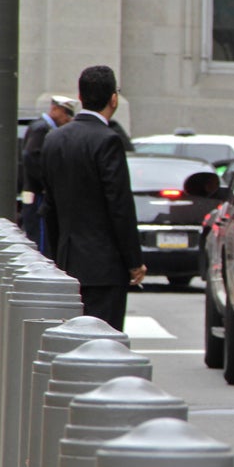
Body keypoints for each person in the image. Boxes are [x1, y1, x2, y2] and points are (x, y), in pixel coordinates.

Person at [40, 65, 146, 331]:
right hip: (104, 267)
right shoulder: (108, 141)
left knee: (68, 341)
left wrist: (56, 256)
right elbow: (119, 206)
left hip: (66, 260)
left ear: (81, 96)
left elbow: (49, 206)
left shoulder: (54, 139)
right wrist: (133, 261)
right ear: (113, 99)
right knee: (102, 344)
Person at [18, 94, 79, 254]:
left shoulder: (43, 127)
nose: (68, 119)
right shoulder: (42, 128)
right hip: (37, 193)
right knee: (41, 239)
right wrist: (46, 184)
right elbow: (30, 156)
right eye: (66, 114)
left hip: (35, 192)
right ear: (55, 109)